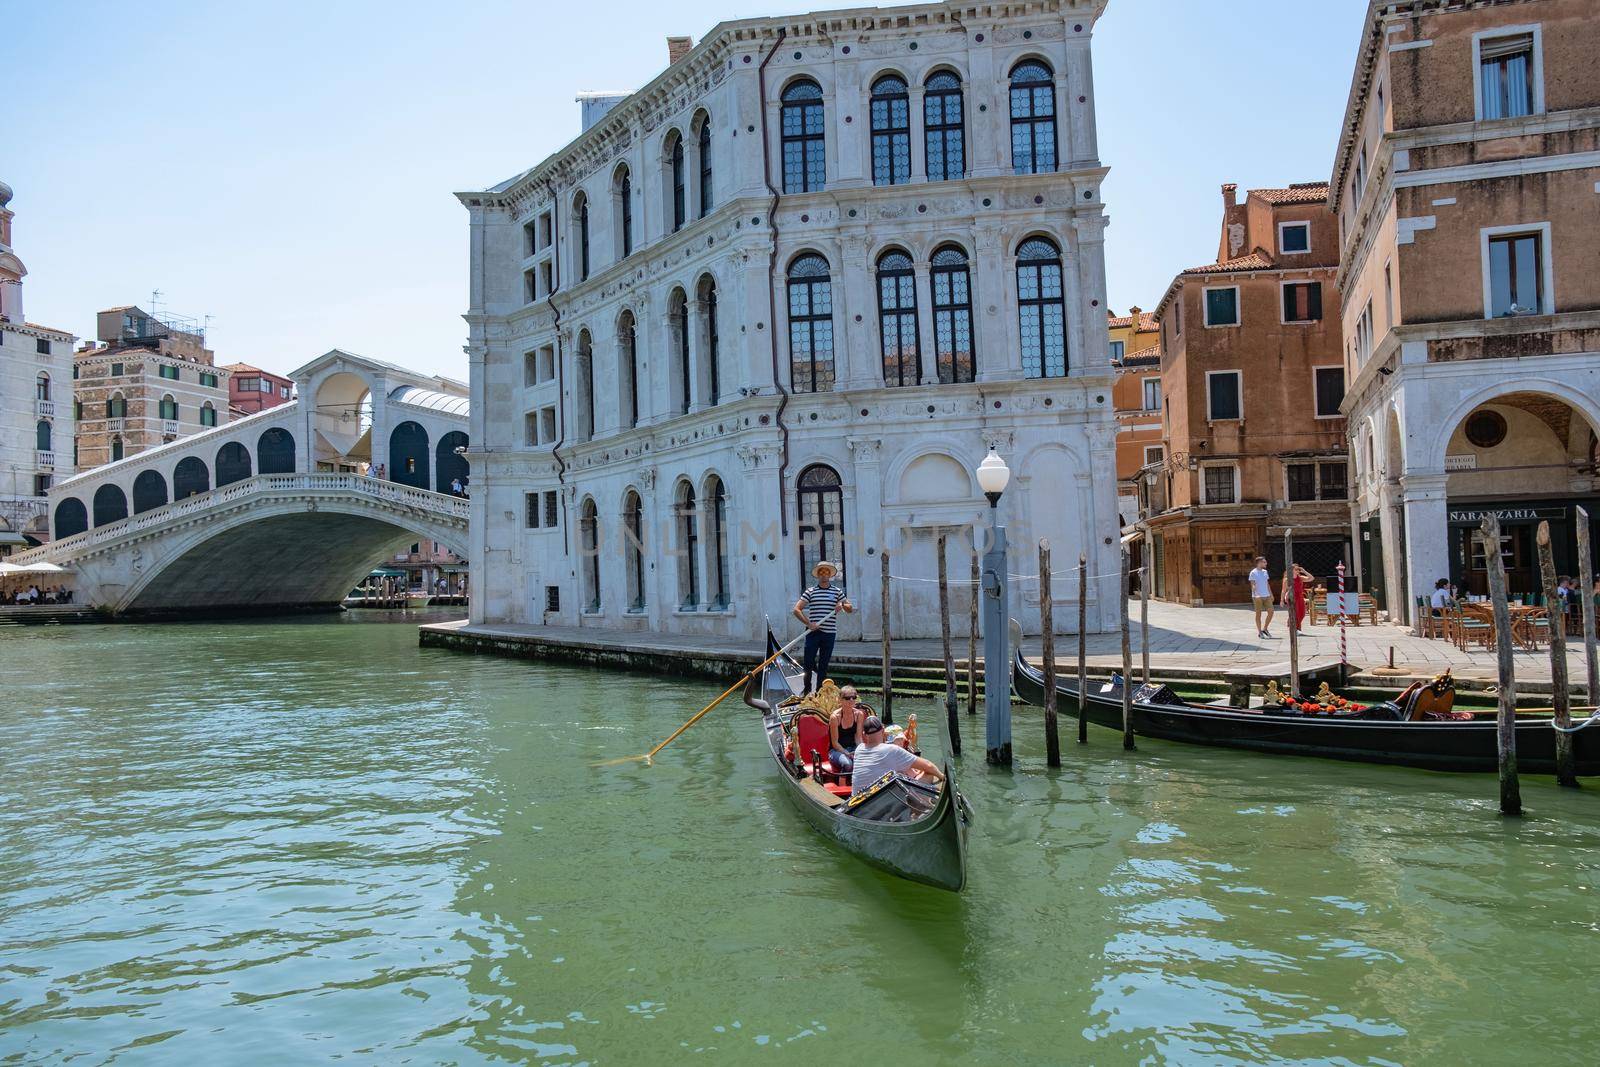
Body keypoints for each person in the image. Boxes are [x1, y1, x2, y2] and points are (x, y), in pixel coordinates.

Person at [793, 561, 853, 694]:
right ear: (818, 575)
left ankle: (819, 692)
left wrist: (842, 606)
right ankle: (807, 690)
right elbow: (797, 609)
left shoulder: (837, 592)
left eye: (826, 572)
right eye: (821, 572)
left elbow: (850, 608)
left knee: (823, 665)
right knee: (808, 663)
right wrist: (808, 623)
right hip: (813, 632)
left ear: (830, 575)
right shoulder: (810, 591)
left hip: (829, 633)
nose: (824, 575)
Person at [849, 716, 944, 797]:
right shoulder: (892, 749)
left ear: (864, 734)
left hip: (857, 801)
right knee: (930, 774)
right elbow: (928, 765)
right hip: (880, 800)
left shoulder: (859, 749)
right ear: (882, 730)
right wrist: (942, 778)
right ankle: (919, 811)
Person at [828, 685, 867, 773]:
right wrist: (847, 753)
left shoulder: (859, 714)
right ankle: (842, 784)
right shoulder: (835, 717)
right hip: (837, 751)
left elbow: (858, 738)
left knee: (867, 761)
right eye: (847, 698)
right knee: (847, 764)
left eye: (854, 697)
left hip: (853, 748)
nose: (851, 700)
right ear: (841, 700)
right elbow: (835, 743)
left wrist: (860, 750)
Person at [1247, 556, 1275, 638]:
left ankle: (1265, 629)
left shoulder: (1265, 572)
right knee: (1258, 614)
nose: (1266, 563)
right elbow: (1253, 585)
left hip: (1266, 595)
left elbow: (1267, 584)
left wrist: (1271, 594)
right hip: (1257, 596)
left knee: (1271, 612)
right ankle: (1260, 632)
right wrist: (1256, 594)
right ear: (1259, 563)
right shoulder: (1253, 572)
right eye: (1264, 562)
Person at [1281, 564, 1312, 634]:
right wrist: (1281, 600)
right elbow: (1283, 590)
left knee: (1303, 613)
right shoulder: (1287, 579)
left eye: (1298, 569)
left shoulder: (1300, 577)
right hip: (1292, 597)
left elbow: (1311, 578)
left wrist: (1304, 571)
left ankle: (1292, 623)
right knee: (1296, 613)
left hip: (1300, 596)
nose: (1298, 570)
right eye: (1296, 569)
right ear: (1291, 570)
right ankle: (1296, 629)